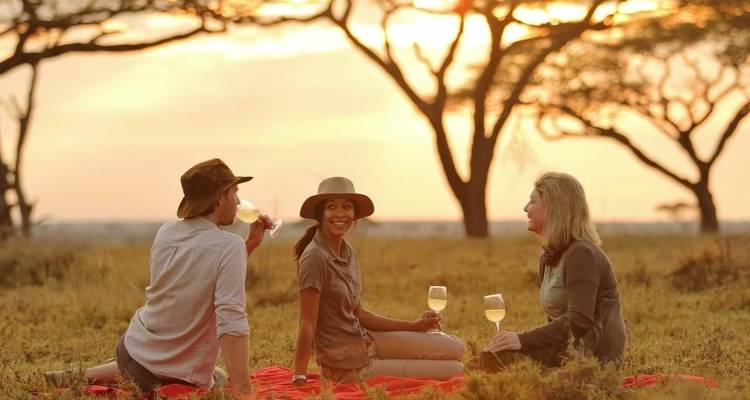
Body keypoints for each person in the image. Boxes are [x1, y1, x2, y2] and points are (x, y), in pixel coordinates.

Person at [44, 158, 273, 395]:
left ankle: (82, 375)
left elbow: (196, 276)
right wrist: (245, 390)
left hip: (130, 350)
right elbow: (231, 319)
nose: (237, 201)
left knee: (168, 365)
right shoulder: (229, 245)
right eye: (234, 192)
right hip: (165, 376)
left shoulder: (167, 232)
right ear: (219, 198)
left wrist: (249, 246)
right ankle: (99, 374)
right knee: (220, 378)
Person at [291, 177, 465, 384]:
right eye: (331, 207)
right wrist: (299, 375)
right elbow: (307, 323)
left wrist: (414, 326)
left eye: (347, 207)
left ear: (354, 215)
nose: (340, 213)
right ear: (320, 214)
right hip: (348, 366)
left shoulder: (348, 253)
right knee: (456, 370)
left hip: (365, 341)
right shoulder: (314, 258)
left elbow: (360, 314)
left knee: (456, 348)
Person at [482, 172, 627, 369]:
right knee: (490, 357)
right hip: (568, 350)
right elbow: (557, 323)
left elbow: (579, 323)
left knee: (497, 362)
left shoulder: (582, 254)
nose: (525, 208)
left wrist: (522, 340)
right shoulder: (549, 257)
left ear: (553, 208)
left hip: (593, 356)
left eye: (532, 201)